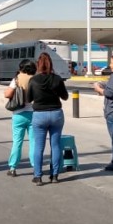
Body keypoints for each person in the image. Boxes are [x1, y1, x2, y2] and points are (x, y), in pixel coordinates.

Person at [27, 51, 69, 185]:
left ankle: (38, 176)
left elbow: (28, 99)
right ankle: (55, 175)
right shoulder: (57, 79)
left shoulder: (33, 80)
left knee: (38, 147)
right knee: (55, 145)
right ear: (51, 63)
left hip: (39, 115)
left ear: (38, 64)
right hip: (56, 114)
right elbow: (65, 97)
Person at [4, 59, 36, 177]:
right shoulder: (35, 79)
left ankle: (13, 167)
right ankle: (35, 166)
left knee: (17, 142)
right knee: (34, 142)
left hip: (19, 114)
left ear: (22, 68)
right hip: (33, 114)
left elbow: (8, 94)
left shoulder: (17, 79)